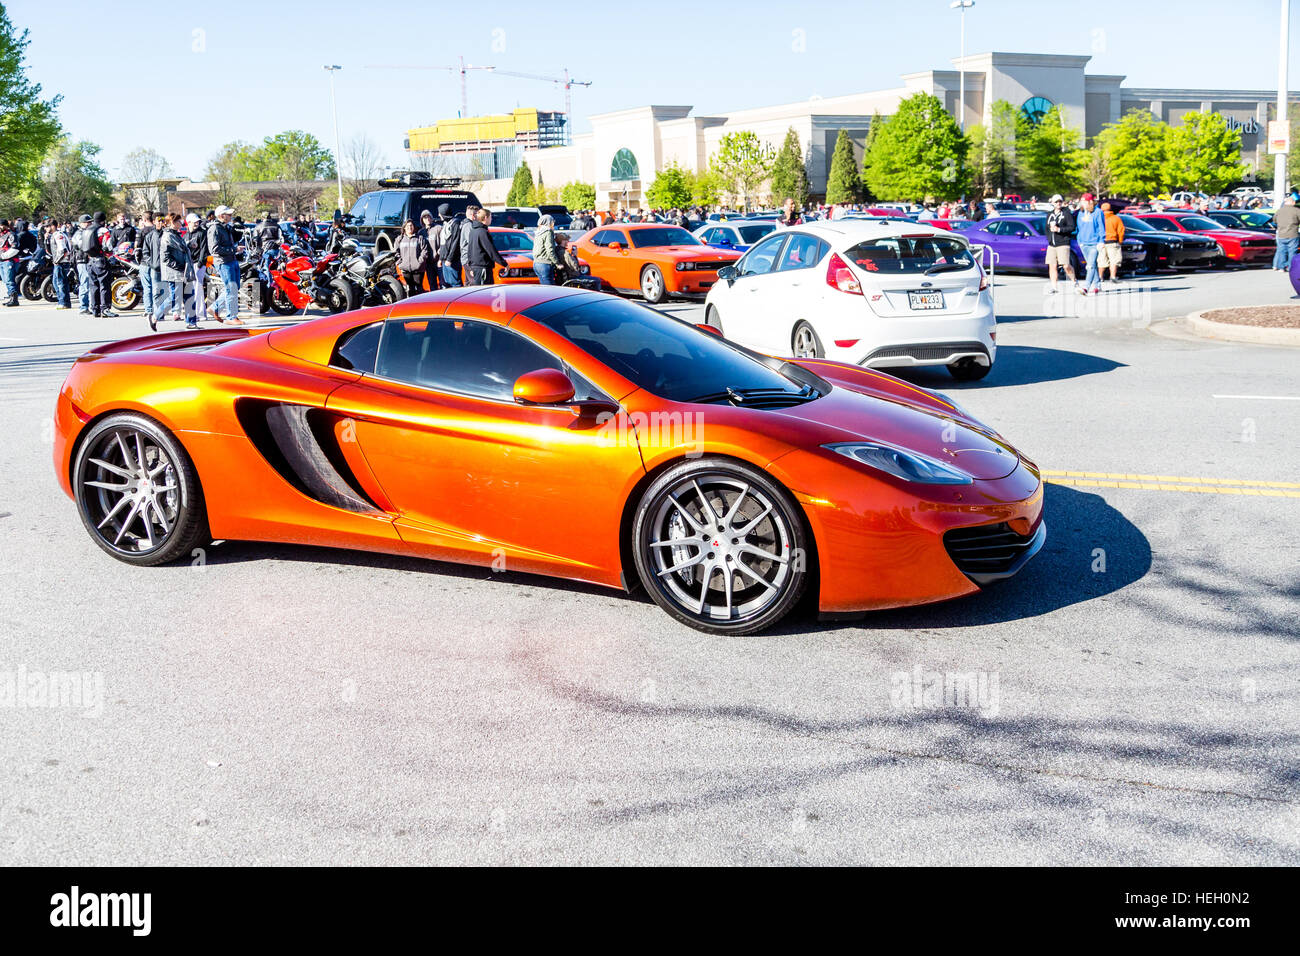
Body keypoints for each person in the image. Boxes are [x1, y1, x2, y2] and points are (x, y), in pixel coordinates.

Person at [158, 214, 196, 329]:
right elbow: (165, 257)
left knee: (189, 296)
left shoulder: (176, 234)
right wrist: (179, 266)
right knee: (174, 298)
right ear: (172, 223)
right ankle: (156, 315)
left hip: (183, 271)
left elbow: (180, 249)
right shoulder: (167, 236)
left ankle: (191, 322)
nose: (181, 223)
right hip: (175, 272)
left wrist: (189, 245)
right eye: (178, 221)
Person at [207, 205, 242, 324]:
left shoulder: (225, 227)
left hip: (230, 259)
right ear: (221, 216)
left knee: (234, 287)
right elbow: (214, 249)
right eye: (229, 214)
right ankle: (231, 317)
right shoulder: (215, 228)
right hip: (224, 262)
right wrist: (234, 250)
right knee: (231, 288)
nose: (231, 216)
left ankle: (214, 307)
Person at [83, 211, 117, 317]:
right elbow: (108, 246)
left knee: (94, 286)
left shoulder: (87, 229)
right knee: (105, 285)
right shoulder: (103, 230)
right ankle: (105, 309)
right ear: (103, 220)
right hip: (100, 260)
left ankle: (95, 309)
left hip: (90, 260)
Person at [1044, 194, 1079, 294]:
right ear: (1052, 203)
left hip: (1063, 243)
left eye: (1060, 201)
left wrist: (1059, 229)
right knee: (1052, 265)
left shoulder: (1066, 213)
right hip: (1052, 244)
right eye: (1056, 202)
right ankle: (1054, 287)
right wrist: (1049, 238)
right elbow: (1046, 229)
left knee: (1066, 265)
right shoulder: (1049, 214)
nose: (1058, 203)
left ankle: (1075, 282)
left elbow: (1072, 227)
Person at [464, 208, 508, 286]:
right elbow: (491, 251)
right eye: (490, 217)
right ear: (485, 218)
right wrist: (504, 264)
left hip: (476, 268)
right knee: (483, 294)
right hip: (482, 268)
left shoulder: (473, 231)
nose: (491, 219)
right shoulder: (482, 232)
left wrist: (471, 266)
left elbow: (469, 250)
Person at [1074, 193, 1105, 296]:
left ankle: (1086, 287)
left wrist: (1101, 241)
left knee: (1090, 266)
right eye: (1081, 201)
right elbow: (1079, 228)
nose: (1082, 203)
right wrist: (1080, 241)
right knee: (1092, 266)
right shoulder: (1081, 213)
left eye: (1084, 201)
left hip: (1094, 243)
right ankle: (1097, 285)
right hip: (1084, 243)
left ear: (1090, 201)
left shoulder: (1098, 212)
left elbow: (1101, 227)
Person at [394, 218, 430, 295]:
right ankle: (411, 305)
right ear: (404, 228)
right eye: (407, 226)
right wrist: (400, 263)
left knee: (419, 288)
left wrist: (419, 262)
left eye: (411, 225)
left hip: (418, 269)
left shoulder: (419, 238)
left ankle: (420, 305)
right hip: (405, 269)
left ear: (414, 227)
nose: (409, 227)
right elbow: (395, 252)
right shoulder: (400, 239)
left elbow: (424, 251)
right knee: (410, 288)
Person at [185, 213, 209, 322]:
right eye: (194, 221)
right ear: (188, 222)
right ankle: (194, 312)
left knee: (198, 288)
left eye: (197, 221)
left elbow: (204, 249)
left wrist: (200, 263)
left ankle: (201, 314)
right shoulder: (185, 235)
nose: (196, 223)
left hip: (198, 264)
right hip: (189, 265)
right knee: (191, 289)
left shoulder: (202, 233)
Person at [49, 219, 73, 309]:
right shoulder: (54, 235)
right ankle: (64, 302)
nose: (46, 228)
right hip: (60, 262)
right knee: (57, 282)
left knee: (60, 283)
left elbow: (63, 250)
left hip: (61, 262)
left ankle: (63, 302)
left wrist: (57, 260)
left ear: (53, 226)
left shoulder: (58, 235)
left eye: (47, 226)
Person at [532, 214, 562, 284]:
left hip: (536, 263)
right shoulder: (548, 232)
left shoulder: (538, 232)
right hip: (545, 264)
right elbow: (550, 249)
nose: (553, 223)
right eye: (552, 221)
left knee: (544, 289)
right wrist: (557, 263)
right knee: (551, 290)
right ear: (548, 222)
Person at [1100, 201, 1125, 285]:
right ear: (1110, 209)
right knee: (1114, 261)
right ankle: (1113, 277)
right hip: (1113, 242)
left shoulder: (1099, 218)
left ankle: (1100, 277)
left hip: (1101, 242)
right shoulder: (1116, 218)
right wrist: (1120, 241)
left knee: (1101, 261)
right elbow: (1121, 231)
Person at [1273, 196, 1300, 270]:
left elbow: (1274, 220)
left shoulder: (1279, 211)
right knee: (1292, 252)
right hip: (1292, 234)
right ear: (1293, 203)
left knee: (1282, 251)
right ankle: (1291, 267)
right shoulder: (1296, 211)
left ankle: (1281, 267)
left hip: (1281, 234)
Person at [0, 220, 19, 307]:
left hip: (9, 261)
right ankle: (10, 296)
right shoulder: (2, 235)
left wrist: (3, 256)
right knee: (5, 280)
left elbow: (15, 248)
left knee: (9, 280)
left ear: (4, 225)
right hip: (2, 261)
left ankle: (14, 299)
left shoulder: (11, 234)